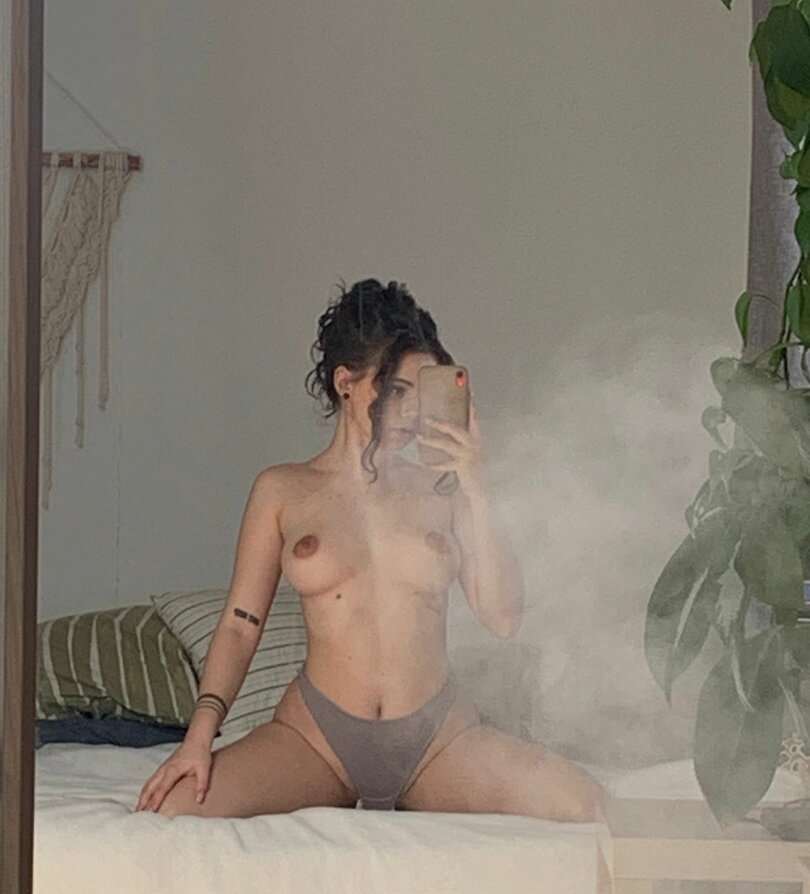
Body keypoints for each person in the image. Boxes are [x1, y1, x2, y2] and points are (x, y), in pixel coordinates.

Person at [135, 279, 605, 821]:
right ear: (346, 383)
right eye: (396, 391)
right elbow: (240, 627)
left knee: (585, 804)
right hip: (316, 740)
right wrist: (198, 738)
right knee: (171, 813)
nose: (408, 413)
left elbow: (503, 619)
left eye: (419, 394)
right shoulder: (282, 491)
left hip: (438, 740)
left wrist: (478, 485)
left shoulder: (445, 491)